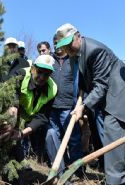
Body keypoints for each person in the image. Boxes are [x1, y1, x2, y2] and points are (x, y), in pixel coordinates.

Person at [56, 23, 125, 185]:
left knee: (112, 130)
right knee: (107, 132)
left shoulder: (94, 50)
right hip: (108, 96)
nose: (67, 48)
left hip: (120, 91)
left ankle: (117, 183)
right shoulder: (75, 54)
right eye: (64, 46)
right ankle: (119, 181)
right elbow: (83, 80)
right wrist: (79, 101)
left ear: (78, 36)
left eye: (69, 43)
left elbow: (100, 84)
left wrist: (83, 106)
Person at [0, 54, 57, 185]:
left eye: (47, 74)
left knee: (49, 135)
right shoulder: (20, 75)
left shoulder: (53, 89)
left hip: (27, 118)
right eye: (40, 72)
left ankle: (55, 178)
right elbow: (11, 100)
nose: (43, 77)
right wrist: (10, 125)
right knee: (11, 146)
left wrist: (21, 133)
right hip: (9, 111)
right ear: (32, 69)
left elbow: (42, 117)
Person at [45, 34, 83, 177]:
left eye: (59, 42)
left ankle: (77, 169)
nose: (56, 45)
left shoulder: (73, 59)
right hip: (53, 107)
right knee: (57, 138)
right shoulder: (50, 61)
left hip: (69, 107)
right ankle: (63, 168)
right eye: (54, 43)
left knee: (74, 139)